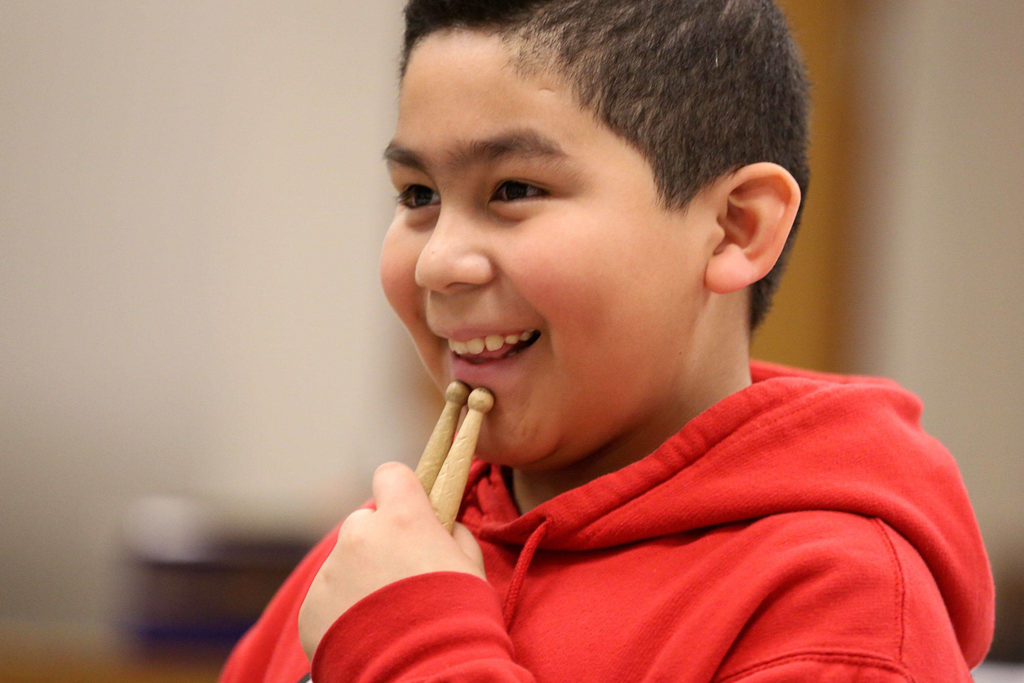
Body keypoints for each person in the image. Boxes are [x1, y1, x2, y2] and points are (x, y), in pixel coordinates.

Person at [220, 0, 994, 680]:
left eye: (514, 189)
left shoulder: (840, 612)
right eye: (418, 194)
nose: (437, 260)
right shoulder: (375, 561)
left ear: (735, 227)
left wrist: (412, 647)